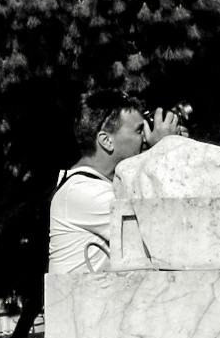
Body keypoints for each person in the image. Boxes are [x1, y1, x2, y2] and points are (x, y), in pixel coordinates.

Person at [46, 98, 154, 275]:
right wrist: (164, 149)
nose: (146, 138)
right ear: (106, 141)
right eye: (139, 130)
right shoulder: (82, 191)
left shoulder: (97, 186)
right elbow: (156, 236)